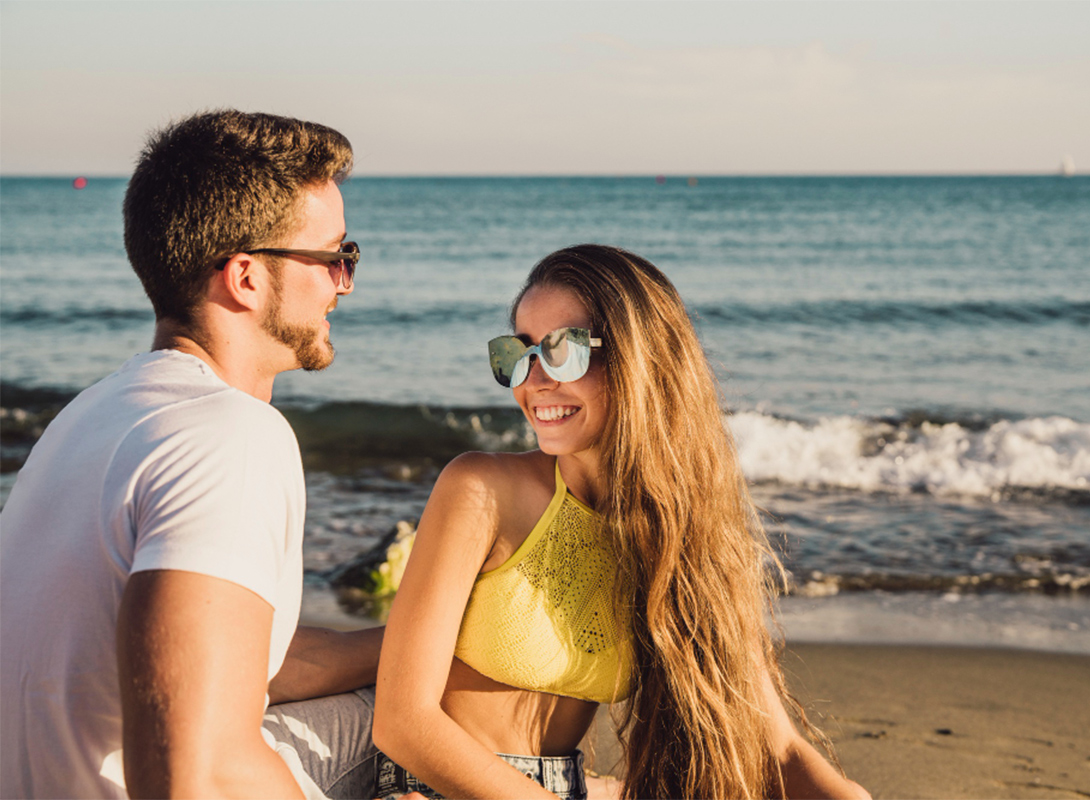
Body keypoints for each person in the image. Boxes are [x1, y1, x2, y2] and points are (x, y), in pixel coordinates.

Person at [372, 244, 869, 799]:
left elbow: (773, 746)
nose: (533, 380)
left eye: (563, 351)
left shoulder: (683, 534)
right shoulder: (482, 489)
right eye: (520, 352)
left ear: (639, 359)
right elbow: (403, 722)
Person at [0, 110, 384, 799]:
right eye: (334, 258)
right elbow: (193, 776)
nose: (343, 283)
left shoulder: (90, 418)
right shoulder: (229, 438)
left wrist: (413, 644)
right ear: (244, 276)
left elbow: (210, 653)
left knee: (408, 680)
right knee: (415, 721)